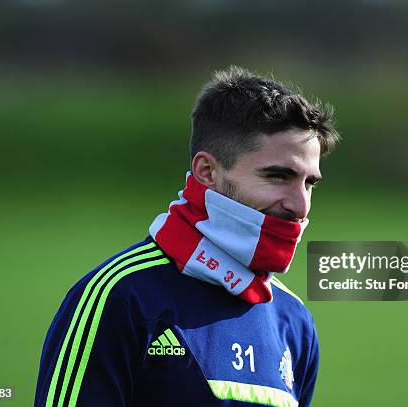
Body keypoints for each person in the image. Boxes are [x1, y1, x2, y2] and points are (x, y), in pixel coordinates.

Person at [35, 66, 340, 407]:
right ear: (207, 171)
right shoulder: (119, 297)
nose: (301, 206)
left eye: (309, 183)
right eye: (278, 176)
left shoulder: (293, 321)